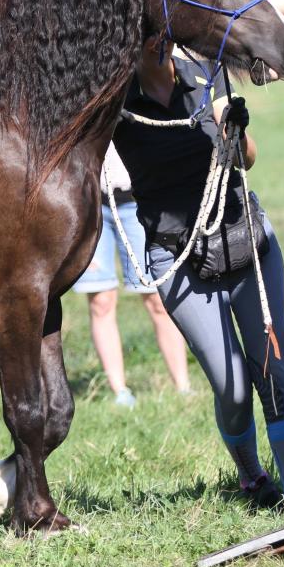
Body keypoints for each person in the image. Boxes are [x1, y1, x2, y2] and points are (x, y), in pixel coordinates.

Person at [113, 39, 284, 512]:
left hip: (244, 239)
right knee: (233, 386)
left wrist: (237, 135)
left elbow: (248, 159)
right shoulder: (118, 100)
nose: (159, 41)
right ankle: (251, 477)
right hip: (176, 259)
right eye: (148, 31)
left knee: (273, 371)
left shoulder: (206, 72)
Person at [73, 145, 190, 407]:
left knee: (157, 299)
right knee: (101, 301)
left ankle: (183, 386)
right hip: (88, 203)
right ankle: (120, 392)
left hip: (136, 201)